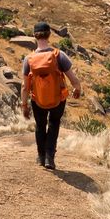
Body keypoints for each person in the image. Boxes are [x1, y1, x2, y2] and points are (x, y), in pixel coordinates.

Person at [21, 22, 82, 170]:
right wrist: (77, 89)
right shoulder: (59, 55)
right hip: (58, 99)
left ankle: (41, 157)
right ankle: (50, 157)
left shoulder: (28, 59)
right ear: (49, 35)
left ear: (34, 36)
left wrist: (24, 105)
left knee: (40, 126)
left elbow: (24, 86)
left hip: (37, 99)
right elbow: (73, 79)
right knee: (54, 124)